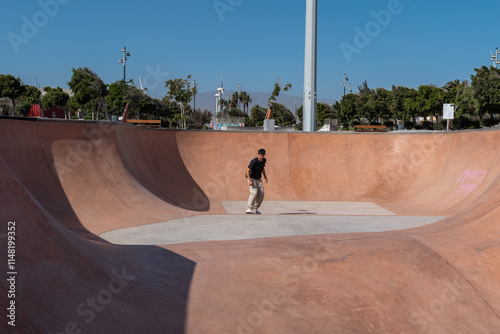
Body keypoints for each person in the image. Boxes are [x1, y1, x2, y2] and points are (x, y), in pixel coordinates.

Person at [246, 148, 268, 214]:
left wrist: (265, 177)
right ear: (258, 154)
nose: (261, 157)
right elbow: (247, 170)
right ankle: (249, 208)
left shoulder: (264, 160)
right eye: (260, 155)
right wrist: (250, 180)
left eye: (263, 155)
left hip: (259, 179)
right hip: (252, 178)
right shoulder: (254, 161)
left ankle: (254, 209)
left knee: (261, 195)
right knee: (254, 193)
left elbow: (262, 169)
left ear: (264, 155)